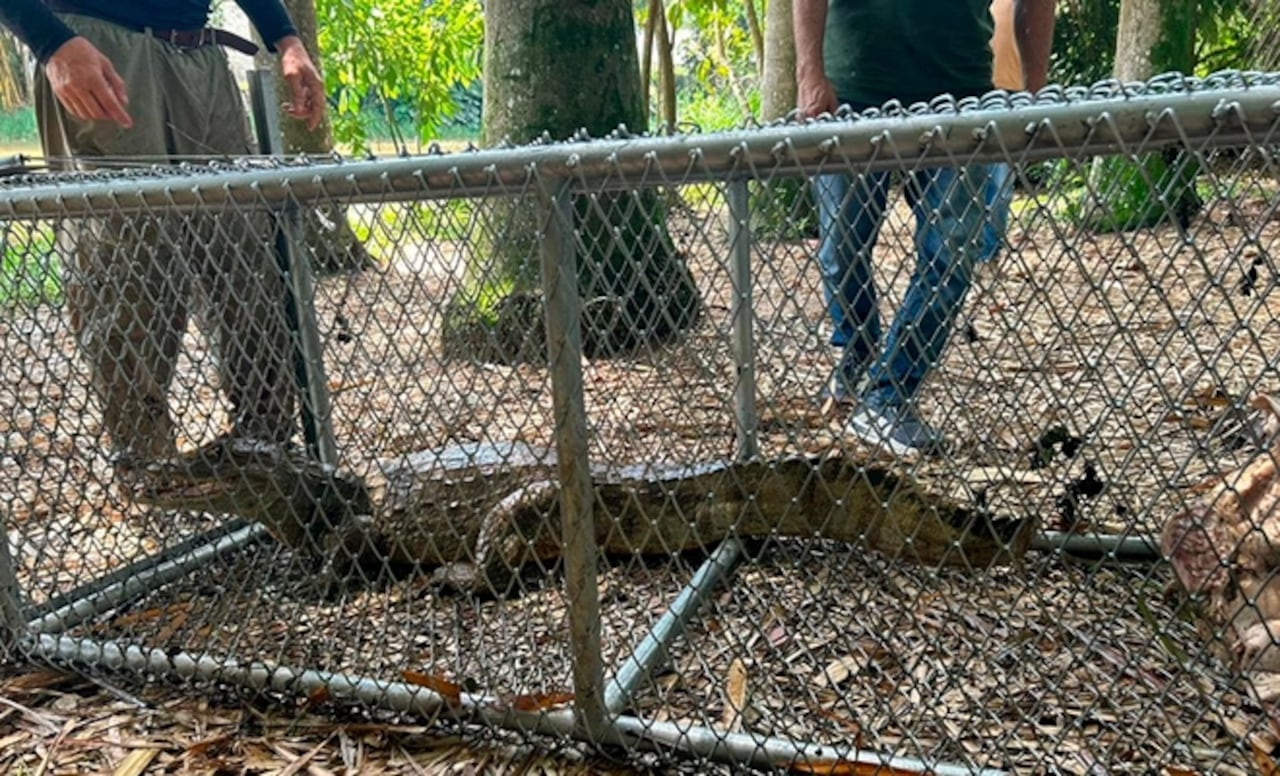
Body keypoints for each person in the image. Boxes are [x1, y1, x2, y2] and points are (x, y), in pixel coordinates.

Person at [0, 1, 326, 478]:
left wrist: (286, 38)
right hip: (99, 46)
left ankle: (269, 457)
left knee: (245, 259)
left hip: (201, 55)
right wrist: (51, 42)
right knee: (127, 275)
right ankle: (153, 476)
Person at [794, 0, 1055, 455]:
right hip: (854, 89)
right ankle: (859, 356)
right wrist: (809, 75)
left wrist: (1034, 86)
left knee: (952, 252)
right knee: (840, 246)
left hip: (959, 89)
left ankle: (888, 394)